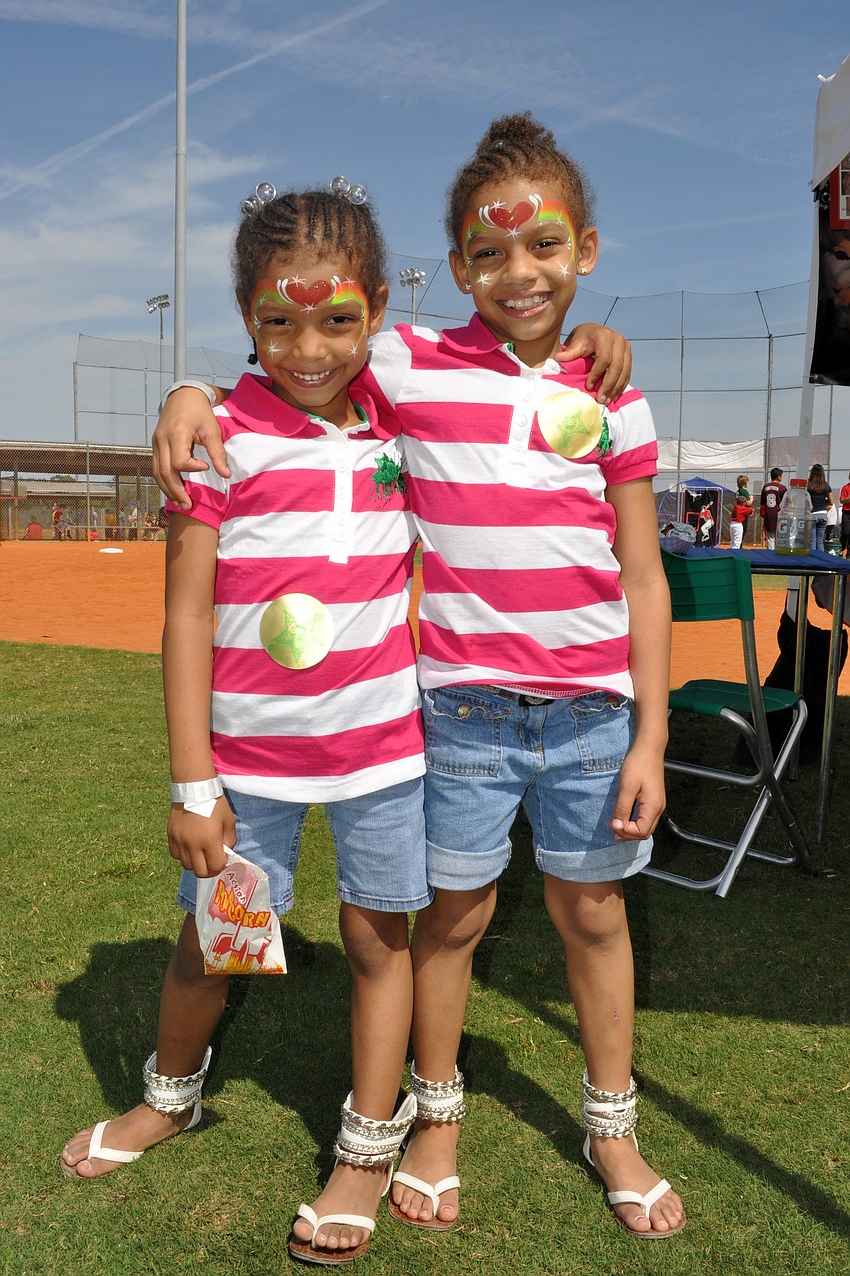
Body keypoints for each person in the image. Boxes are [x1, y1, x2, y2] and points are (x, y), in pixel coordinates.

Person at [152, 113, 685, 1241]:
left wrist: (650, 734)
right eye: (487, 254)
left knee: (592, 915)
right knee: (448, 923)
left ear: (583, 249)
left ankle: (612, 1124)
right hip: (456, 711)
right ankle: (430, 1119)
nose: (516, 272)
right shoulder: (411, 360)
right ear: (451, 272)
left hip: (593, 717)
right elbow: (301, 336)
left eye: (541, 247)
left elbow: (643, 575)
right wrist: (190, 389)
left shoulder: (614, 390)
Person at [62, 184, 436, 1267]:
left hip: (382, 753)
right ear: (245, 321)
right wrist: (193, 782)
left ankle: (368, 1144)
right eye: (277, 321)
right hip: (247, 770)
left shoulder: (403, 419)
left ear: (373, 312)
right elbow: (183, 614)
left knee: (378, 940)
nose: (308, 346)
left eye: (336, 319)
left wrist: (592, 337)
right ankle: (169, 1099)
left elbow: (490, 352)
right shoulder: (220, 438)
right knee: (215, 943)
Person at [806, 463, 833, 553]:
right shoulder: (826, 485)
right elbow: (831, 502)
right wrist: (824, 507)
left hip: (812, 514)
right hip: (823, 515)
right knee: (820, 542)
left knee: (812, 541)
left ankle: (813, 562)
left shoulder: (808, 485)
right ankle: (821, 563)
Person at [759, 467, 786, 551]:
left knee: (770, 536)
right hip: (779, 514)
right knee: (780, 535)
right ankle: (779, 553)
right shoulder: (783, 488)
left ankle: (770, 554)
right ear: (778, 476)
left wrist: (763, 515)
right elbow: (786, 503)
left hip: (768, 513)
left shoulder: (765, 487)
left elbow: (763, 504)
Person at [729, 475, 754, 550]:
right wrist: (752, 499)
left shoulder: (738, 491)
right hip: (742, 515)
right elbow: (748, 503)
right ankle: (739, 547)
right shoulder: (744, 491)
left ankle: (738, 546)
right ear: (744, 483)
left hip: (736, 515)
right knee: (741, 531)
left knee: (735, 537)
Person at [839, 472, 850, 557]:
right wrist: (847, 499)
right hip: (846, 512)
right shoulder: (845, 487)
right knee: (845, 532)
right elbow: (842, 500)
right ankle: (843, 548)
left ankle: (848, 553)